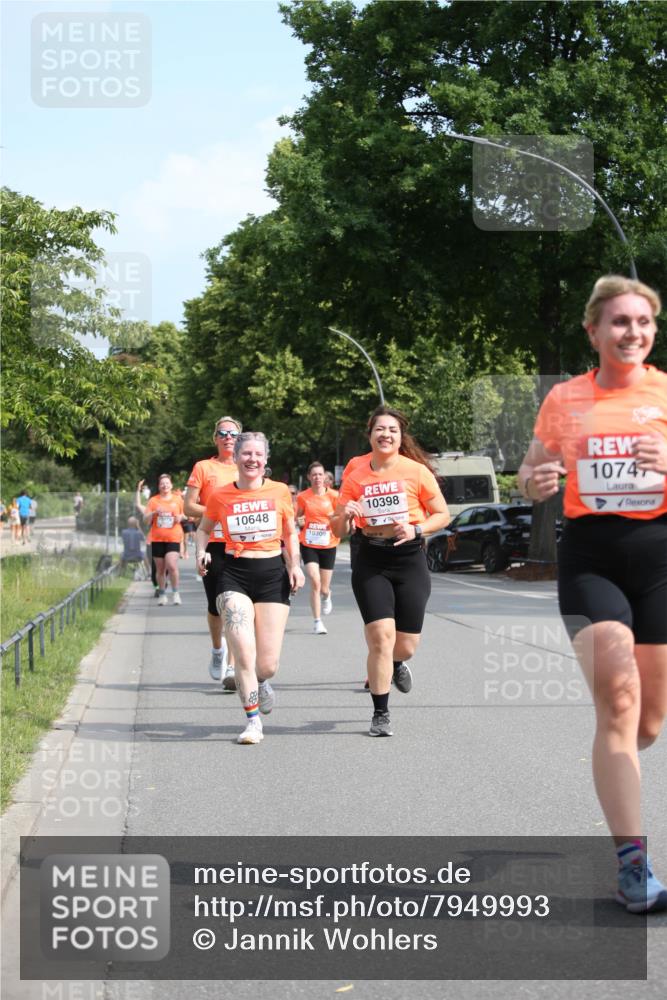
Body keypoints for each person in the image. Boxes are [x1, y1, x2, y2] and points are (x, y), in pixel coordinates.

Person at [518, 275, 667, 914]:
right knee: (619, 701)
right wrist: (535, 482)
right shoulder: (566, 399)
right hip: (591, 560)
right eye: (620, 322)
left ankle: (616, 752)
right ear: (594, 330)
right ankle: (633, 865)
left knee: (648, 723)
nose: (633, 332)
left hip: (660, 560)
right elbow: (529, 472)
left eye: (643, 322)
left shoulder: (665, 392)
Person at [332, 406, 450, 737]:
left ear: (400, 437)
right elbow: (338, 529)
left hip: (409, 558)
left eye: (392, 430)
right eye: (380, 429)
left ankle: (397, 664)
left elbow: (442, 514)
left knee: (406, 645)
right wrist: (346, 515)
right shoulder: (356, 476)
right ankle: (380, 713)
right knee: (381, 638)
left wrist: (416, 529)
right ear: (370, 435)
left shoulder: (416, 472)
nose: (386, 434)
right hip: (371, 558)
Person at [195, 432, 305, 745]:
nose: (252, 459)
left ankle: (261, 681)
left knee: (267, 664)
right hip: (234, 574)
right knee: (243, 652)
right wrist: (200, 552)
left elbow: (289, 533)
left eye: (258, 454)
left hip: (271, 575)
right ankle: (253, 721)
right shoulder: (220, 495)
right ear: (236, 458)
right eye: (246, 454)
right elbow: (203, 529)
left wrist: (294, 566)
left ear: (266, 459)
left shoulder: (279, 491)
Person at [185, 415, 242, 687]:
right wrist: (216, 511)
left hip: (240, 544)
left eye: (233, 434)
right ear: (215, 439)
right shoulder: (203, 467)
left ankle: (232, 667)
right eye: (223, 433)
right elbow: (188, 506)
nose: (228, 437)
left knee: (234, 604)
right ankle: (218, 650)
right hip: (213, 543)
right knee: (215, 606)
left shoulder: (246, 467)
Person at [296, 462, 340, 634]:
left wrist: (335, 519)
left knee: (323, 587)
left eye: (320, 474)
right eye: (314, 475)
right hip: (309, 544)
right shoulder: (303, 497)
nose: (317, 478)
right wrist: (299, 521)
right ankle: (317, 621)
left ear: (325, 477)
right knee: (315, 580)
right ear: (309, 477)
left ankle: (327, 594)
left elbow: (341, 517)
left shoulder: (334, 496)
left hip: (329, 544)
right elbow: (297, 517)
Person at [142, 474, 186, 605]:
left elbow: (187, 514)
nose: (165, 485)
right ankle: (162, 594)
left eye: (167, 483)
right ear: (159, 486)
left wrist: (181, 517)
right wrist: (153, 513)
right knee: (160, 569)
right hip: (157, 538)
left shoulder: (178, 499)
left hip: (173, 537)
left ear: (171, 485)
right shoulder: (153, 501)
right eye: (162, 483)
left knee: (171, 565)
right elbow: (145, 520)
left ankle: (176, 593)